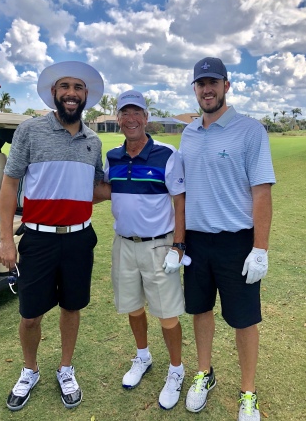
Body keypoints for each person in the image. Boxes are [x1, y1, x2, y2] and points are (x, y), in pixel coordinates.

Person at [0, 61, 108, 411]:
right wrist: (5, 239)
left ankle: (65, 368)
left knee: (71, 307)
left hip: (79, 239)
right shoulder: (30, 131)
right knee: (30, 314)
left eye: (78, 87)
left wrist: (144, 188)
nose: (71, 93)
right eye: (65, 87)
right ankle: (30, 370)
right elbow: (10, 184)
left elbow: (94, 189)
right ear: (54, 93)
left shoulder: (94, 140)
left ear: (86, 95)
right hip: (39, 239)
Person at [179, 57, 276, 420]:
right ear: (195, 88)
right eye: (201, 83)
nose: (207, 89)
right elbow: (182, 192)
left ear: (226, 85)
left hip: (237, 242)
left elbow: (262, 193)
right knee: (200, 310)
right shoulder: (188, 134)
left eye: (213, 82)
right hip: (196, 242)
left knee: (243, 320)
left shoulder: (250, 131)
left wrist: (260, 248)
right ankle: (205, 372)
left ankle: (248, 391)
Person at [104, 90, 186, 410]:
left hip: (158, 245)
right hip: (123, 245)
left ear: (146, 117)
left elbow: (180, 202)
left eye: (137, 112)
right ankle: (143, 357)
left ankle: (176, 370)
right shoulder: (112, 156)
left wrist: (178, 246)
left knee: (167, 315)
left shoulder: (166, 154)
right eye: (125, 113)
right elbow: (108, 191)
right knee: (133, 307)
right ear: (118, 119)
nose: (131, 118)